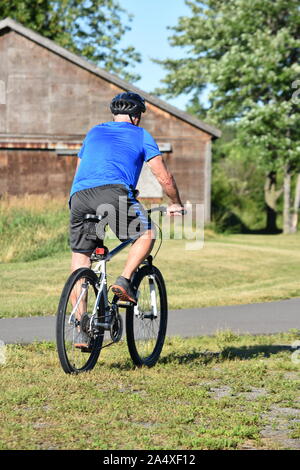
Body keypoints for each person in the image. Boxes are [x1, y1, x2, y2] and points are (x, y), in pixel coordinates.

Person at [69, 91, 184, 346]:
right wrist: (175, 203)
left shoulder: (94, 132)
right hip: (113, 193)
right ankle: (124, 280)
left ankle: (81, 328)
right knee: (146, 233)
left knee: (81, 257)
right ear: (136, 117)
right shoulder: (141, 135)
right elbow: (163, 177)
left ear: (114, 114)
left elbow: (80, 170)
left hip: (79, 197)